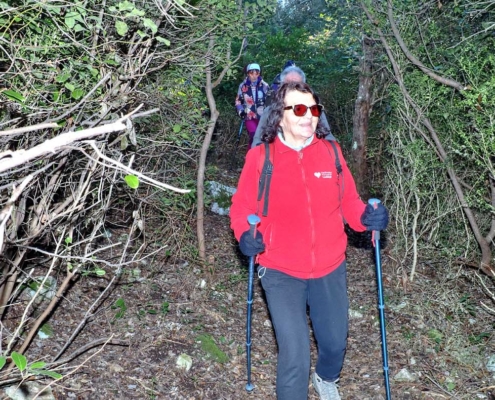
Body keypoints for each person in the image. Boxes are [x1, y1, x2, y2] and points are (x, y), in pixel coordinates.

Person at [230, 81, 389, 400]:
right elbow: (242, 207)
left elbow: (349, 202)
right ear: (280, 116)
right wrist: (246, 234)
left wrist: (368, 217)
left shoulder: (331, 152)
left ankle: (326, 378)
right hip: (280, 268)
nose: (309, 116)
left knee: (334, 342)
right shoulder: (262, 157)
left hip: (330, 266)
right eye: (300, 109)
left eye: (314, 109)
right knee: (294, 355)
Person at [251, 65, 333, 148]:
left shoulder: (314, 110)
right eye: (288, 85)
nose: (293, 89)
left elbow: (328, 136)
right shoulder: (270, 110)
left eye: (297, 85)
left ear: (304, 86)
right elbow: (257, 140)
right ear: (281, 87)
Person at [234, 63, 270, 150]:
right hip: (249, 115)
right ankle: (250, 155)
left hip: (262, 116)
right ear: (248, 73)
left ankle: (260, 156)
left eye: (257, 73)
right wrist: (241, 111)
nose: (254, 75)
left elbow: (270, 101)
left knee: (262, 138)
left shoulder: (264, 85)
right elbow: (238, 101)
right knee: (253, 135)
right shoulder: (243, 86)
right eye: (251, 73)